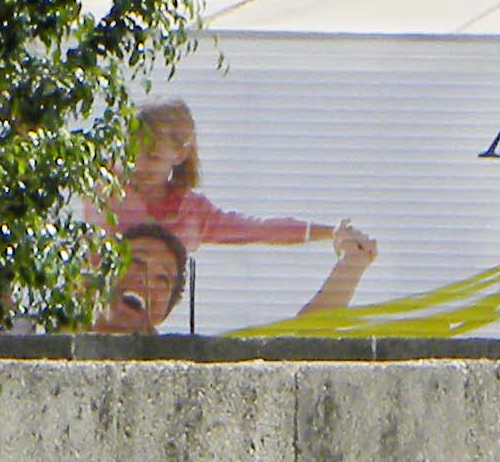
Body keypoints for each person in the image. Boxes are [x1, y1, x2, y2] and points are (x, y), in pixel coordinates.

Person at [91, 100, 372, 330]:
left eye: (152, 157)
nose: (140, 166)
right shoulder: (107, 189)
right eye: (131, 156)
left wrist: (329, 232)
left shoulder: (193, 213)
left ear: (179, 155)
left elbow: (257, 229)